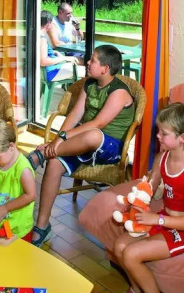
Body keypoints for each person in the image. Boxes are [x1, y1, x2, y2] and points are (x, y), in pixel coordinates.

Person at [27, 45, 135, 246]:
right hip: (84, 143)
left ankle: (41, 155)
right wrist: (59, 139)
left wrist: (62, 138)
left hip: (109, 148)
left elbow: (98, 124)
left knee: (93, 134)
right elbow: (75, 115)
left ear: (105, 68)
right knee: (54, 165)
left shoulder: (118, 91)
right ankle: (42, 227)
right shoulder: (89, 84)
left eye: (93, 60)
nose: (87, 62)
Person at [112, 103, 184, 293]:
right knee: (119, 245)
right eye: (158, 131)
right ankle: (135, 289)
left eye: (164, 133)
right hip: (165, 220)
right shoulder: (162, 158)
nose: (158, 136)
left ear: (182, 138)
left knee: (131, 254)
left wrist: (156, 219)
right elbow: (147, 191)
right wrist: (134, 206)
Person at [0, 119, 36, 242]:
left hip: (19, 230)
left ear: (11, 146)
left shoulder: (23, 170)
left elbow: (30, 195)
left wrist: (6, 208)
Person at [39, 10, 80, 81]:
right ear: (48, 23)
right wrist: (63, 58)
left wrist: (53, 52)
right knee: (84, 71)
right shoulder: (42, 39)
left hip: (48, 70)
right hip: (51, 73)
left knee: (77, 61)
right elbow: (43, 61)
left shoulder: (35, 35)